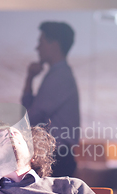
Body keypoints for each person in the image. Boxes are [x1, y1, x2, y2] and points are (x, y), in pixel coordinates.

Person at [22, 21, 80, 177]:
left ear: (54, 44)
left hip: (56, 157)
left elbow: (31, 117)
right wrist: (30, 79)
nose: (37, 48)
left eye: (41, 42)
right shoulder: (58, 75)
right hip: (56, 155)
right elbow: (30, 113)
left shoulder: (59, 77)